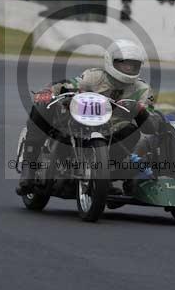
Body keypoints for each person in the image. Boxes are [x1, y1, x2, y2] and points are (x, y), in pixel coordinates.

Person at [16, 39, 160, 195]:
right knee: (43, 106)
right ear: (111, 61)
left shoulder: (143, 89)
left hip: (113, 130)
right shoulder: (94, 76)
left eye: (133, 65)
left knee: (132, 131)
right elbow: (70, 84)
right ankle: (29, 168)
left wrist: (141, 111)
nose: (129, 68)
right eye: (124, 64)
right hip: (79, 122)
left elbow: (151, 126)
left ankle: (104, 178)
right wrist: (48, 91)